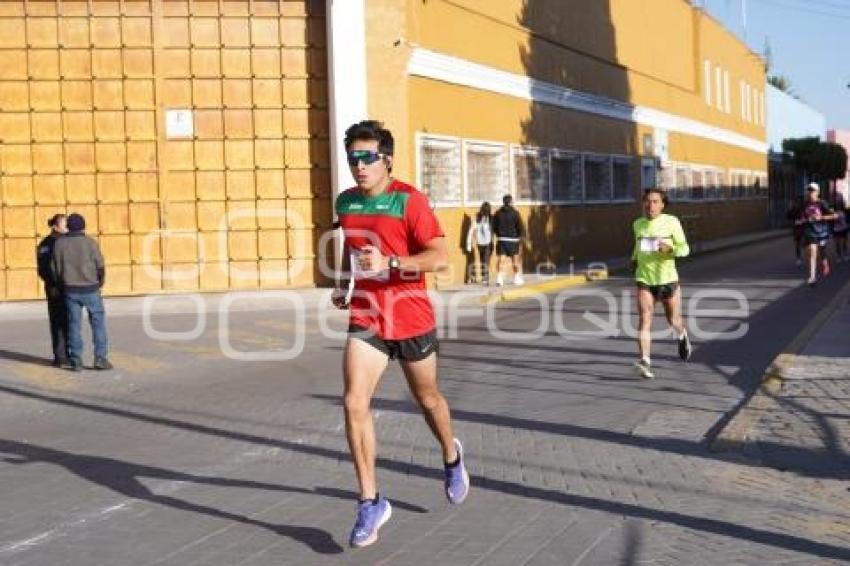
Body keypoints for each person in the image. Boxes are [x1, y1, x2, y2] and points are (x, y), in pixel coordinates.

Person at [331, 120, 469, 548]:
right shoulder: (347, 202)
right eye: (353, 158)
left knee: (428, 399)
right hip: (368, 315)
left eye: (368, 157)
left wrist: (391, 263)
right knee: (354, 401)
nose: (359, 165)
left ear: (387, 160)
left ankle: (451, 455)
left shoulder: (410, 200)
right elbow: (349, 246)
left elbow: (440, 257)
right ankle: (370, 501)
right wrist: (342, 282)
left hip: (411, 318)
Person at [631, 188, 691, 379]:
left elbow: (685, 249)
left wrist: (669, 248)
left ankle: (682, 336)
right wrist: (633, 259)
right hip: (644, 279)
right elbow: (638, 247)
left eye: (656, 201)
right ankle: (645, 361)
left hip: (668, 280)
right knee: (644, 320)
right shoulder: (637, 224)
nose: (651, 205)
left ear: (663, 204)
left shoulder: (671, 222)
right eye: (648, 201)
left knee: (673, 320)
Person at [51, 213, 113, 371]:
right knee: (98, 323)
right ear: (83, 226)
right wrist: (99, 282)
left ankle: (76, 359)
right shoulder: (90, 243)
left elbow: (55, 269)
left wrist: (61, 285)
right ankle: (100, 358)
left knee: (74, 324)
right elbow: (100, 265)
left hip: (70, 290)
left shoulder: (59, 244)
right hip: (91, 288)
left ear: (69, 227)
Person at [37, 214, 70, 367]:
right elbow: (43, 269)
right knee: (57, 321)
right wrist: (53, 285)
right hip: (55, 288)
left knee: (70, 321)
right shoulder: (47, 244)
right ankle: (60, 356)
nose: (68, 227)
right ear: (55, 227)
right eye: (65, 224)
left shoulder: (68, 241)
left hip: (69, 286)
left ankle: (70, 354)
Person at [796, 183, 836, 286]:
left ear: (817, 192)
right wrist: (801, 221)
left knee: (822, 251)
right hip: (810, 232)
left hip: (821, 232)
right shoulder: (804, 204)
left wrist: (821, 218)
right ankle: (812, 277)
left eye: (812, 191)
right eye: (809, 191)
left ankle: (824, 263)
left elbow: (834, 215)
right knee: (812, 252)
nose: (810, 193)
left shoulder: (822, 203)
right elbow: (801, 217)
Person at [492, 194, 524, 286]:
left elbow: (494, 227)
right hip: (513, 240)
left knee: (501, 259)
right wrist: (519, 236)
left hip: (502, 239)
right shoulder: (515, 213)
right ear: (510, 202)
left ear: (503, 202)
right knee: (515, 260)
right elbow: (520, 226)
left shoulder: (498, 213)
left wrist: (498, 234)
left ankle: (499, 279)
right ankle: (517, 278)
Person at [465, 202, 494, 285]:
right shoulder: (478, 218)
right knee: (483, 260)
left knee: (485, 260)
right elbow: (472, 230)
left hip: (487, 242)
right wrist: (469, 244)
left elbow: (471, 231)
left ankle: (485, 278)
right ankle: (484, 278)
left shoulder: (490, 218)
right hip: (481, 243)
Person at [786, 196, 805, 266]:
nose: (797, 203)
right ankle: (798, 258)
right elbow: (788, 216)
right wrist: (789, 208)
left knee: (803, 243)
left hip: (803, 228)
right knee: (797, 244)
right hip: (796, 229)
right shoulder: (793, 209)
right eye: (795, 202)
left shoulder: (803, 208)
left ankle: (805, 254)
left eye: (798, 202)